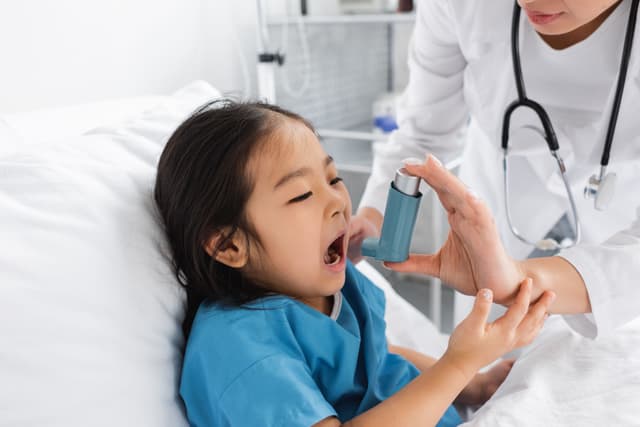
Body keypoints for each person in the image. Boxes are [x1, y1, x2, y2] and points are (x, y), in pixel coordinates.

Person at [153, 100, 555, 427]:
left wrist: (474, 384)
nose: (337, 202)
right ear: (228, 245)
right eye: (300, 196)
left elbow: (379, 356)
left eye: (332, 179)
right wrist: (458, 363)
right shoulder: (238, 349)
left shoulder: (337, 287)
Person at [351, 0, 640, 337]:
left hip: (620, 208)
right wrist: (374, 219)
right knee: (482, 347)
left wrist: (523, 281)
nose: (526, 1)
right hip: (498, 190)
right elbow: (424, 131)